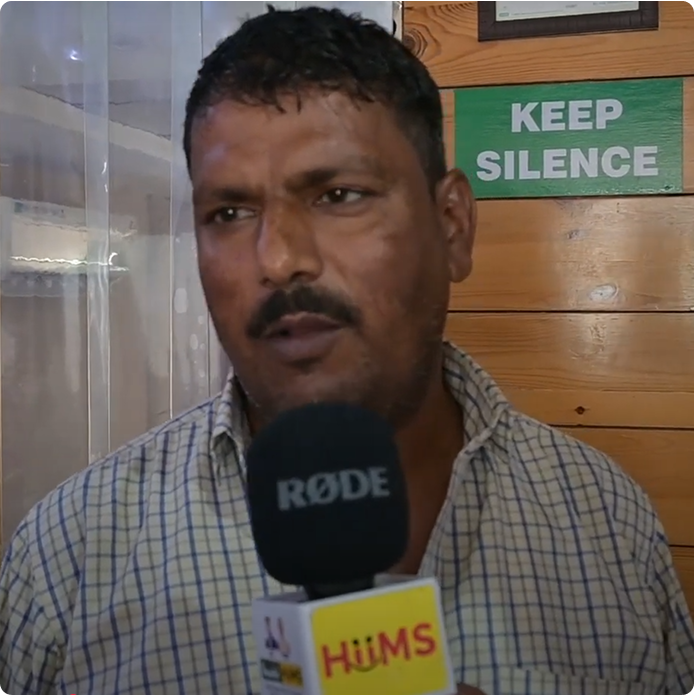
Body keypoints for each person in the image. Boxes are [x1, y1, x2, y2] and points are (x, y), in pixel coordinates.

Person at [1, 6, 693, 695]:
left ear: (452, 225)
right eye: (230, 213)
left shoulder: (606, 518)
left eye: (337, 195)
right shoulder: (69, 558)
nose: (278, 260)